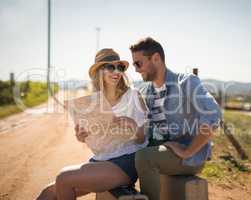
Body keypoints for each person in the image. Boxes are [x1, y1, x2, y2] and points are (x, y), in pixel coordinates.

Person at [36, 48, 148, 200]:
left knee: (64, 178)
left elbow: (144, 139)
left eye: (120, 67)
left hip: (125, 161)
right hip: (101, 159)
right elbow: (95, 138)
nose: (116, 71)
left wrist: (134, 126)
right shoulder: (93, 102)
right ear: (99, 72)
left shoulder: (134, 95)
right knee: (48, 193)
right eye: (110, 67)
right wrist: (82, 136)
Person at [130, 37, 221, 200]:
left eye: (138, 63)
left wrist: (187, 151)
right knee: (130, 154)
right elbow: (147, 131)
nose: (136, 70)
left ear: (156, 59)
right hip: (166, 149)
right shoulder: (148, 91)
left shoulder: (186, 82)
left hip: (190, 157)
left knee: (144, 157)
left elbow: (213, 115)